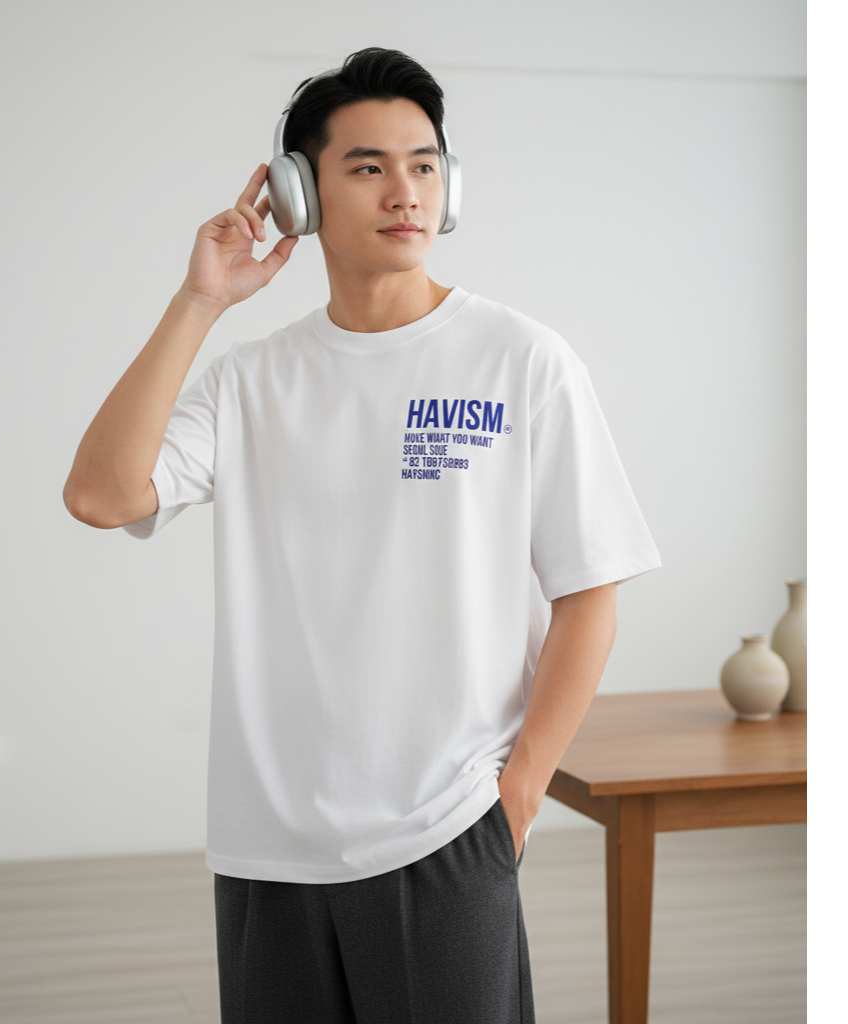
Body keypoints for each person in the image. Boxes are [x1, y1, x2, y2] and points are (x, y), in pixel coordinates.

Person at [63, 46, 660, 1024]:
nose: (404, 190)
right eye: (368, 166)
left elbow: (590, 590)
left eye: (424, 164)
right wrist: (199, 301)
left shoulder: (521, 360)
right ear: (299, 194)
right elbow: (100, 494)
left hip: (447, 828)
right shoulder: (252, 381)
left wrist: (517, 795)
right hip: (267, 847)